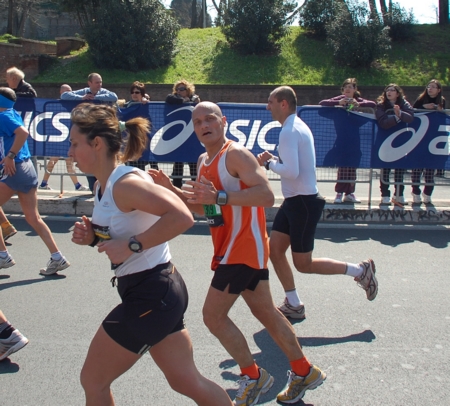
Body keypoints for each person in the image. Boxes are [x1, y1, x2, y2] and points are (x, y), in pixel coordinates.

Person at [150, 101, 326, 405]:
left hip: (243, 247)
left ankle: (253, 376)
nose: (204, 126)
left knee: (212, 316)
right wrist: (172, 190)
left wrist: (219, 195)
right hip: (229, 247)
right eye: (197, 122)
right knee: (267, 313)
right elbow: (208, 208)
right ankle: (303, 370)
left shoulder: (237, 155)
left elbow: (267, 196)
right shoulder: (204, 159)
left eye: (209, 119)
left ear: (223, 121)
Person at [69, 103, 232, 406]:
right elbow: (123, 232)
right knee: (186, 380)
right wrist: (93, 238)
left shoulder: (126, 184)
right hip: (155, 290)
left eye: (74, 143)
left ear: (96, 144)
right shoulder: (104, 187)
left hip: (152, 294)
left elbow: (182, 216)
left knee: (93, 380)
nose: (70, 152)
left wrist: (134, 245)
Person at [257, 86, 378, 320]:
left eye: (270, 101)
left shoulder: (289, 130)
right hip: (294, 202)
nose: (267, 106)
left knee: (303, 263)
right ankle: (293, 303)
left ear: (283, 104)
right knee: (275, 250)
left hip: (303, 203)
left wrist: (268, 163)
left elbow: (291, 171)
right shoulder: (295, 126)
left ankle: (360, 271)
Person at [0, 87, 70, 275]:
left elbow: (23, 133)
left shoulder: (4, 117)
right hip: (27, 169)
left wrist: (10, 156)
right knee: (33, 218)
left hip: (15, 169)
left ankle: (3, 255)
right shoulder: (11, 112)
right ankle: (57, 257)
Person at [319, 78, 376, 204]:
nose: (348, 89)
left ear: (355, 89)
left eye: (351, 87)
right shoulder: (340, 99)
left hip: (355, 139)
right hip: (341, 139)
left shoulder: (358, 101)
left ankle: (349, 193)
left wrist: (358, 104)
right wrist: (338, 102)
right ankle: (339, 193)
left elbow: (372, 104)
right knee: (342, 165)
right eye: (346, 87)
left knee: (352, 165)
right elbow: (322, 103)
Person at [39, 84, 89, 191]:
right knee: (58, 161)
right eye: (67, 92)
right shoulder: (59, 104)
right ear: (61, 93)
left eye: (71, 91)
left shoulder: (73, 105)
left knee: (63, 161)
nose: (70, 94)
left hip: (66, 137)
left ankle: (44, 183)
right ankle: (77, 185)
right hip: (60, 138)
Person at [375, 84, 414, 206]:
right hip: (384, 140)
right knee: (385, 170)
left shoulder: (404, 103)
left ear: (398, 93)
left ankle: (399, 195)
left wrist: (400, 113)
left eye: (392, 90)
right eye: (387, 90)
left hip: (401, 140)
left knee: (400, 169)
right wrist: (397, 117)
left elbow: (410, 117)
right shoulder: (381, 105)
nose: (389, 92)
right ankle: (385, 195)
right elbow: (383, 123)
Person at [411, 80, 446, 204]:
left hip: (434, 138)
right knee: (417, 168)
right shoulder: (421, 100)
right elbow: (413, 112)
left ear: (438, 90)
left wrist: (437, 109)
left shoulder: (441, 101)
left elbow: (443, 116)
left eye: (433, 87)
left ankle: (428, 193)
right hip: (420, 137)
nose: (430, 89)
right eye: (428, 86)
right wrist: (423, 108)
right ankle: (415, 192)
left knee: (430, 169)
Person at [165, 80, 200, 188]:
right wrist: (182, 100)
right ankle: (176, 188)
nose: (179, 91)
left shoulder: (193, 99)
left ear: (188, 90)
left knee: (193, 164)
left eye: (182, 89)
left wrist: (192, 100)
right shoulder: (174, 98)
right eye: (177, 89)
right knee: (178, 163)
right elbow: (168, 98)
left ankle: (196, 188)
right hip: (178, 136)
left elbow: (198, 104)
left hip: (191, 136)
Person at [121, 81, 158, 171]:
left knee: (146, 166)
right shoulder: (127, 105)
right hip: (130, 141)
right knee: (131, 167)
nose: (134, 94)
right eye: (132, 92)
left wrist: (145, 100)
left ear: (142, 94)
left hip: (143, 140)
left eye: (137, 92)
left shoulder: (146, 105)